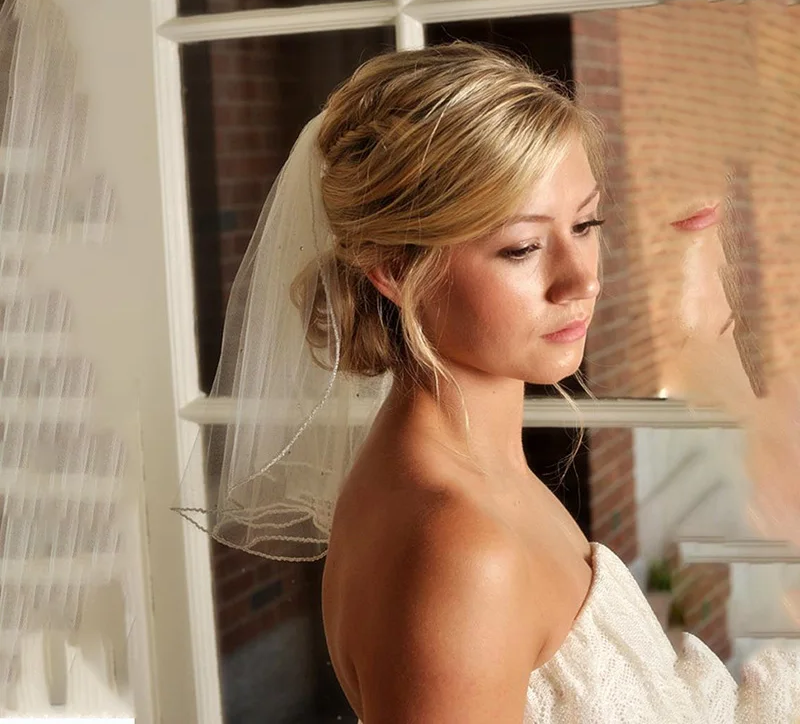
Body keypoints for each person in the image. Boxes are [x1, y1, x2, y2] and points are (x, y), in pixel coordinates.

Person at [184, 43, 800, 722]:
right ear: (393, 269)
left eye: (585, 224)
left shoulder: (478, 476)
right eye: (523, 247)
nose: (581, 279)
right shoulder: (460, 552)